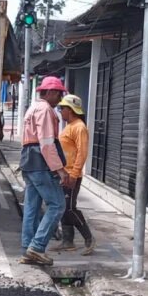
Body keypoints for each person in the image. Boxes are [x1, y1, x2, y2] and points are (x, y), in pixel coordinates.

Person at [19, 76, 71, 266]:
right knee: (57, 205)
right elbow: (47, 143)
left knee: (32, 207)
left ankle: (28, 249)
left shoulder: (33, 108)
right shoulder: (45, 110)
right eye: (58, 94)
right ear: (49, 92)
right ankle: (37, 246)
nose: (60, 99)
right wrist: (60, 170)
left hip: (29, 161)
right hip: (40, 163)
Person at [51, 94, 95, 255]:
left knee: (69, 208)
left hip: (71, 175)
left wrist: (74, 175)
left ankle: (89, 238)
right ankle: (68, 241)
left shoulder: (79, 127)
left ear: (70, 110)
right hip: (65, 174)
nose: (60, 111)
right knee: (64, 208)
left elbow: (82, 153)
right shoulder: (69, 126)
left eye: (61, 108)